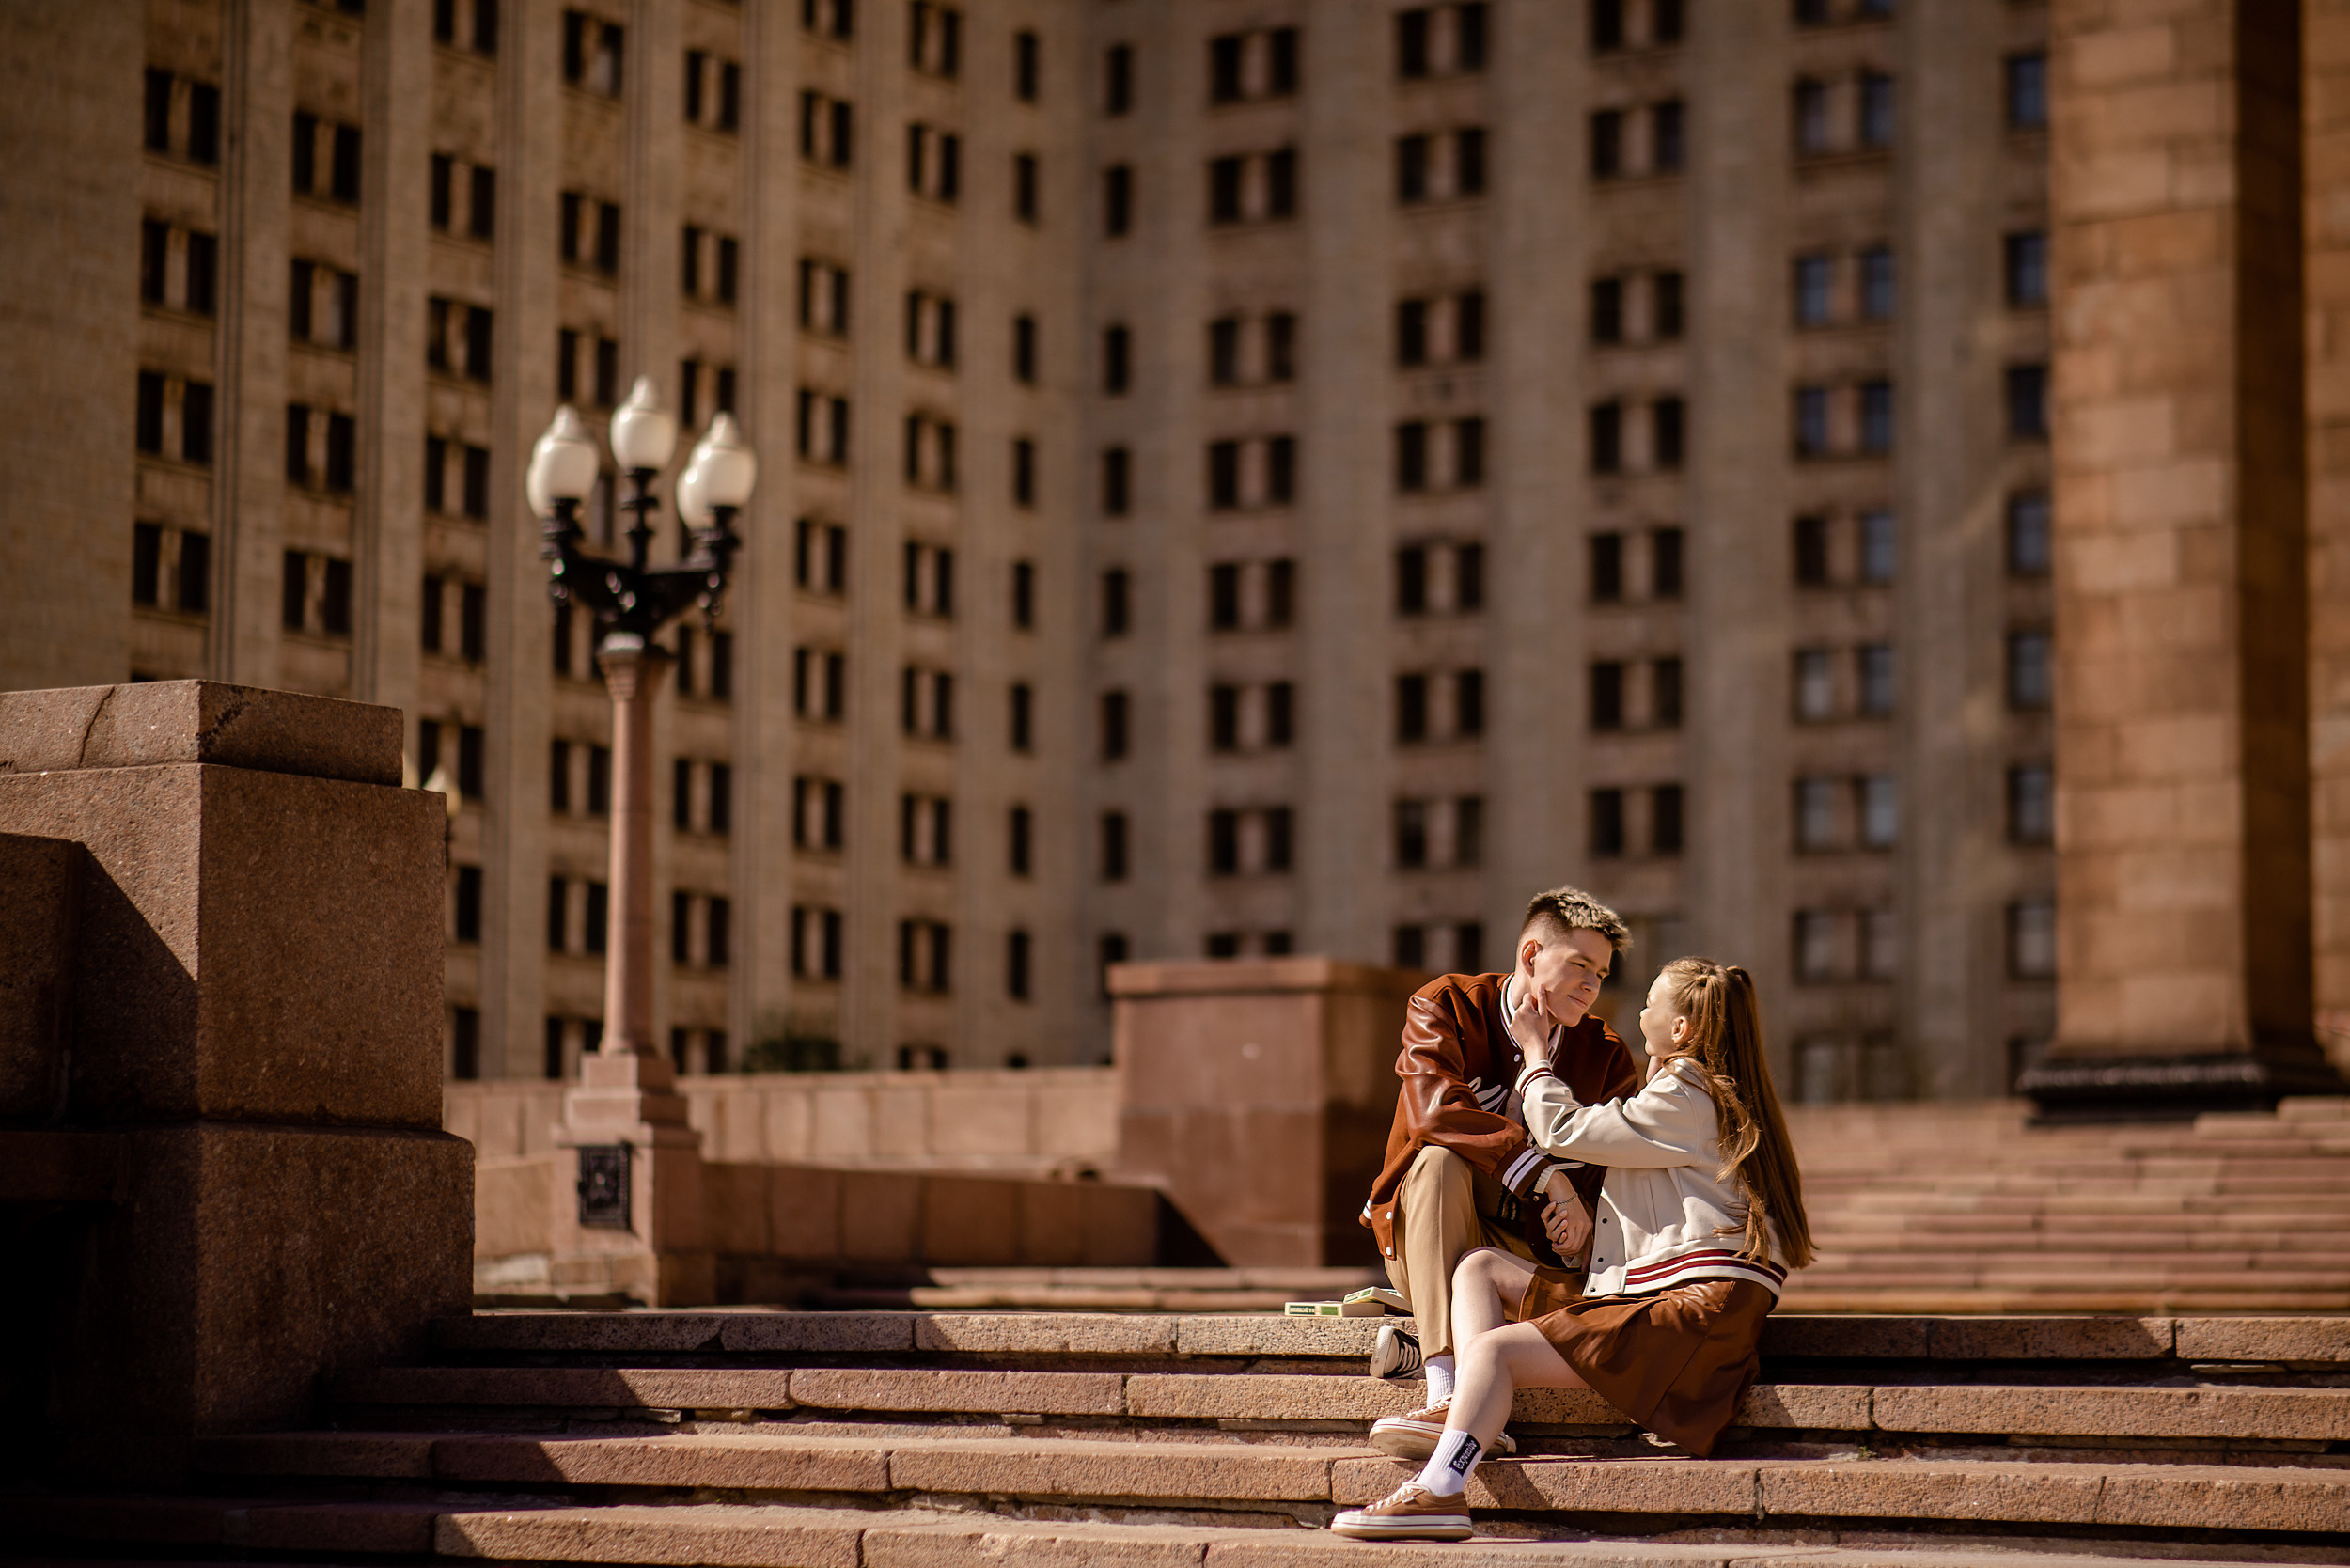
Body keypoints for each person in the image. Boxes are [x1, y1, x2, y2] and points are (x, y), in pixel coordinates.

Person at [1335, 957, 1815, 1543]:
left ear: (1683, 1029)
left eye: (1651, 1003)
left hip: (1694, 1312)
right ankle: (1453, 1406)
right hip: (1666, 1298)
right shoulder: (1697, 1093)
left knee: (1493, 1354)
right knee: (1479, 1269)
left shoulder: (1687, 1094)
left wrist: (1536, 1057)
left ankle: (1442, 1488)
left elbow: (1567, 1131)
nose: (1637, 1010)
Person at [1355, 887, 1643, 1456]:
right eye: (1579, 965)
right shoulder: (1446, 1005)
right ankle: (1446, 1390)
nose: (1591, 986)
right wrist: (1547, 1175)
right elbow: (1434, 1112)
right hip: (1425, 1240)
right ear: (1531, 955)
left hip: (1525, 1260)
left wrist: (1586, 1218)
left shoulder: (1605, 1053)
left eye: (1603, 974)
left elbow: (1621, 1169)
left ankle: (1431, 1358)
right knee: (1440, 1158)